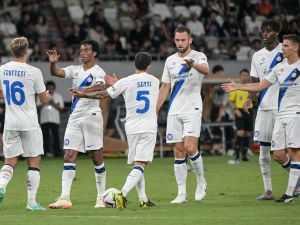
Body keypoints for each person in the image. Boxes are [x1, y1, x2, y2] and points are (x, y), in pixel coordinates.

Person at [71, 52, 159, 208]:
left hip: (131, 127)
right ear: (149, 66)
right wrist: (120, 84)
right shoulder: (154, 81)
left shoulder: (126, 82)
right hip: (148, 126)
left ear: (134, 65)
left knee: (137, 164)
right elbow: (140, 90)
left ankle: (143, 199)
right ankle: (122, 194)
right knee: (140, 164)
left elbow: (104, 95)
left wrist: (84, 94)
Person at [222, 34, 300, 203]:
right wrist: (237, 87)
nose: (283, 48)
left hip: (296, 114)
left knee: (294, 153)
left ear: (296, 47)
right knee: (279, 155)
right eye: (283, 45)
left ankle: (288, 195)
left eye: (286, 46)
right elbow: (259, 85)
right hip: (281, 115)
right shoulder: (279, 68)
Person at [243, 19, 300, 200]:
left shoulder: (284, 52)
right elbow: (256, 82)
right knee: (264, 150)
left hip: (283, 108)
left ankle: (294, 184)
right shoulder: (257, 56)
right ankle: (268, 190)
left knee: (288, 152)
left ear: (277, 32)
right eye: (263, 30)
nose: (265, 34)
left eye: (269, 31)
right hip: (264, 107)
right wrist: (248, 98)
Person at [47, 40, 107, 209]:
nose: (82, 53)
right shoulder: (74, 70)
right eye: (81, 50)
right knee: (69, 155)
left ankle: (100, 197)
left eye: (86, 50)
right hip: (75, 118)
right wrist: (53, 64)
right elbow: (57, 72)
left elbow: (100, 87)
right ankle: (65, 197)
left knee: (96, 157)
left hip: (92, 116)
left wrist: (82, 92)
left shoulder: (98, 71)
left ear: (94, 53)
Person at [156, 26, 209, 204]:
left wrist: (192, 65)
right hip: (174, 110)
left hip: (192, 108)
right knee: (178, 151)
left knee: (190, 147)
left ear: (190, 40)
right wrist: (155, 110)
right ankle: (182, 193)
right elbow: (165, 87)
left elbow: (206, 70)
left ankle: (201, 180)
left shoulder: (198, 56)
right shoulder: (170, 61)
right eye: (177, 40)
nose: (179, 43)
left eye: (183, 40)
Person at [0, 36, 50, 210]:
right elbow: (44, 99)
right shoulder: (34, 72)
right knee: (34, 161)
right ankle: (31, 202)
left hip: (10, 123)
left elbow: (2, 93)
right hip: (29, 123)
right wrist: (48, 93)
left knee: (9, 161)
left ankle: (1, 186)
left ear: (12, 52)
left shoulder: (2, 69)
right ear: (27, 51)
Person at [228, 69, 253, 164]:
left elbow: (255, 97)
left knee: (247, 134)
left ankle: (244, 155)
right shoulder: (236, 87)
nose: (245, 77)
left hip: (249, 111)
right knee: (240, 133)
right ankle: (237, 156)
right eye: (243, 75)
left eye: (247, 75)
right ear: (240, 76)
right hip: (239, 110)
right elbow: (230, 101)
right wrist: (235, 110)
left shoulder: (251, 87)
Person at [37, 81, 64, 157]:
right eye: (48, 88)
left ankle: (57, 152)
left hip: (54, 119)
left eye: (52, 88)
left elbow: (61, 108)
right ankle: (45, 152)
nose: (50, 90)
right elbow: (38, 108)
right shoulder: (41, 96)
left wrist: (53, 103)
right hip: (44, 119)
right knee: (45, 136)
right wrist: (46, 102)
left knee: (56, 136)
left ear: (54, 88)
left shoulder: (58, 96)